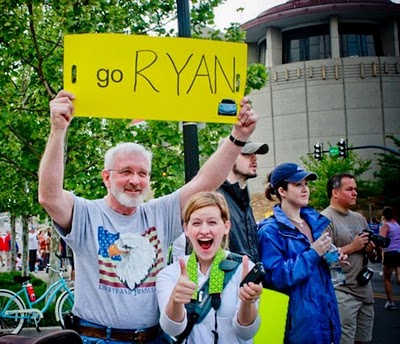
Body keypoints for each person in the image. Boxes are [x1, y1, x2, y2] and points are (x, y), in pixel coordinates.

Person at [38, 90, 258, 343]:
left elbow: (205, 181)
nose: (135, 180)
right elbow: (49, 196)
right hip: (98, 338)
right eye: (126, 171)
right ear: (106, 177)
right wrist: (58, 130)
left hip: (155, 338)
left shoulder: (159, 213)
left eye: (143, 173)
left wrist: (238, 136)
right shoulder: (86, 213)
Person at [156, 191, 262, 343]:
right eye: (196, 223)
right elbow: (172, 330)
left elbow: (246, 333)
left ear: (226, 227)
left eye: (212, 222)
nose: (204, 230)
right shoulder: (171, 274)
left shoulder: (243, 269)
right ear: (186, 229)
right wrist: (176, 300)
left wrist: (248, 302)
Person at [257, 163, 341, 344]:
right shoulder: (270, 231)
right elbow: (275, 277)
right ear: (282, 191)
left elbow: (317, 266)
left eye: (306, 184)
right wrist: (313, 253)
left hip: (327, 320)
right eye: (298, 185)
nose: (305, 190)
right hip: (298, 328)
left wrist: (333, 257)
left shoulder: (314, 223)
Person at [321, 173, 376, 344]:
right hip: (342, 293)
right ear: (335, 192)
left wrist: (370, 250)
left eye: (355, 189)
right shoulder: (325, 219)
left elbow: (371, 255)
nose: (355, 193)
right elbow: (323, 258)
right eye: (349, 189)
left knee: (364, 340)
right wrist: (352, 246)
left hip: (365, 290)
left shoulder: (359, 218)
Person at [217, 139, 268, 263]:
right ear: (227, 157)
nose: (254, 158)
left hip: (248, 280)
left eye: (255, 154)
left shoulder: (243, 200)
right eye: (246, 154)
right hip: (227, 280)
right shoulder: (216, 199)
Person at [379, 206, 400, 310]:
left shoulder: (385, 226)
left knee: (387, 279)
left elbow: (381, 240)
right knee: (398, 276)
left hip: (389, 253)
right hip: (398, 251)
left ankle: (391, 302)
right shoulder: (396, 224)